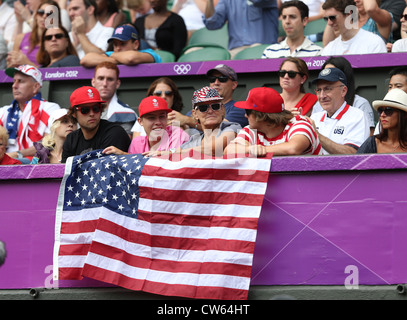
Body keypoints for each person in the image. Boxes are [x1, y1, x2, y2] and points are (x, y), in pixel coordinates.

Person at [224, 87, 322, 157]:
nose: (245, 116)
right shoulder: (251, 129)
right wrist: (250, 149)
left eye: (248, 112)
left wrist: (262, 150)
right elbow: (228, 151)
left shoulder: (299, 123)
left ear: (262, 116)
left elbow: (293, 148)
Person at [0, 65, 61, 161]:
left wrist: (17, 154)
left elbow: (48, 143)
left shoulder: (50, 108)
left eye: (20, 81)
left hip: (34, 163)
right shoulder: (4, 111)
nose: (14, 86)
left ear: (35, 87)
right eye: (14, 81)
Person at [61, 86, 131, 162]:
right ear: (74, 113)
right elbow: (65, 171)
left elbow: (105, 170)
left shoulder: (115, 132)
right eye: (85, 110)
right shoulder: (71, 139)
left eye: (96, 108)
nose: (92, 114)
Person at [310, 68, 370, 155]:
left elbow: (353, 153)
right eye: (319, 90)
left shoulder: (357, 116)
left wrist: (316, 135)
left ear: (343, 91)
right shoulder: (315, 117)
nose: (322, 96)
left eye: (327, 89)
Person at [103, 95, 190, 155]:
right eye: (151, 118)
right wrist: (124, 156)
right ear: (140, 122)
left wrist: (124, 154)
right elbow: (134, 167)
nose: (158, 122)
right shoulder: (137, 142)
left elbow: (172, 162)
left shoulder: (178, 135)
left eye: (162, 117)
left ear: (167, 118)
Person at [311, 56, 375, 134]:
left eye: (328, 88)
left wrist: (318, 136)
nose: (322, 96)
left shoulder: (360, 104)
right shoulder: (318, 106)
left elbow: (370, 137)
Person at [176, 64, 248, 131]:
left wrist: (187, 120)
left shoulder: (239, 108)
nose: (216, 83)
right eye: (212, 79)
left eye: (222, 79)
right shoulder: (198, 108)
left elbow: (220, 129)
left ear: (234, 85)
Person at [176, 86, 241, 157]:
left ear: (222, 109)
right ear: (195, 114)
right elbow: (174, 153)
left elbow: (213, 150)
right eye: (203, 108)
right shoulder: (193, 140)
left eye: (215, 106)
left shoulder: (233, 128)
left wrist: (181, 152)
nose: (210, 111)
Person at [204, 0, 279, 58]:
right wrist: (209, 2)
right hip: (235, 51)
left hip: (263, 49)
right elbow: (212, 24)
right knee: (197, 51)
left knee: (255, 48)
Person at [320, 0, 387, 56]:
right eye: (326, 19)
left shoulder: (374, 42)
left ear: (349, 15)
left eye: (332, 18)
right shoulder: (329, 49)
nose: (329, 23)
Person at [7, 0, 61, 67]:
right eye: (41, 12)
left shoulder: (56, 43)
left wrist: (26, 63)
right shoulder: (20, 38)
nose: (44, 16)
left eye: (49, 14)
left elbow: (51, 74)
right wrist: (11, 63)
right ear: (36, 15)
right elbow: (10, 68)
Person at [80, 24, 161, 67]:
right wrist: (116, 60)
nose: (118, 48)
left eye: (123, 43)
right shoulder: (112, 55)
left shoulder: (149, 53)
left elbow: (131, 58)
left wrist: (111, 57)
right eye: (115, 44)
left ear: (136, 44)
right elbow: (85, 60)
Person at [91, 61, 137, 135]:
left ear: (117, 83)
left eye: (110, 79)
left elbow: (123, 144)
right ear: (93, 82)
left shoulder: (126, 113)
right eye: (101, 78)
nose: (105, 84)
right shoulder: (81, 110)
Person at [357, 89, 407, 153]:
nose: (382, 115)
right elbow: (356, 162)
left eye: (388, 110)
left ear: (404, 115)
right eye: (380, 110)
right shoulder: (373, 143)